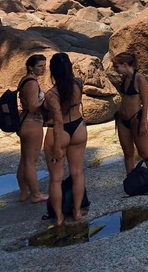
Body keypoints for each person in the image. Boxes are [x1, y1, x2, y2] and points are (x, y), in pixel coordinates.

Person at [44, 52, 87, 226]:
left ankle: (59, 217)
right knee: (77, 172)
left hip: (59, 132)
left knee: (56, 178)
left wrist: (56, 147)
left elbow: (58, 119)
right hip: (78, 127)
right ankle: (77, 211)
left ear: (52, 71)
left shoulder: (51, 94)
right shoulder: (78, 83)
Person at [112, 52, 148, 175]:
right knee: (128, 153)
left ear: (124, 64)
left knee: (144, 152)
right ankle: (131, 179)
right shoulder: (124, 78)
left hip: (135, 118)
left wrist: (143, 122)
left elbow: (145, 102)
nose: (115, 69)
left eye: (116, 66)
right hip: (122, 119)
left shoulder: (140, 79)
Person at [16, 54, 49, 204]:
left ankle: (24, 192)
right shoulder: (32, 83)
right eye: (40, 66)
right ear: (31, 67)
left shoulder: (25, 80)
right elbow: (33, 106)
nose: (43, 68)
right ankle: (36, 194)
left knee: (24, 159)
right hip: (32, 123)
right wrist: (46, 99)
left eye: (44, 65)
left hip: (25, 123)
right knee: (31, 161)